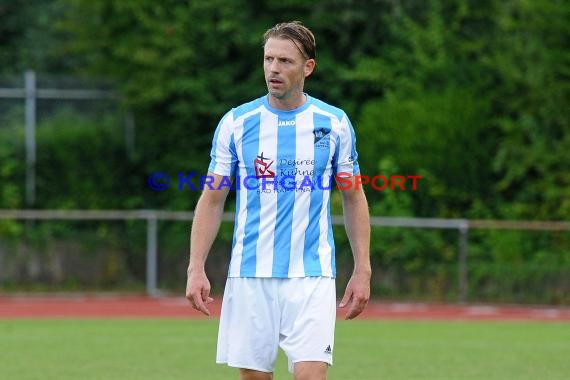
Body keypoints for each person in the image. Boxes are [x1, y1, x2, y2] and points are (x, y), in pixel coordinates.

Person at [186, 21, 371, 380]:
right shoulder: (237, 123)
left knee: (310, 376)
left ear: (308, 67)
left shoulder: (333, 123)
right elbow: (212, 199)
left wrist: (362, 268)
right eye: (269, 59)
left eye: (285, 61)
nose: (273, 68)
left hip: (312, 274)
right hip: (250, 274)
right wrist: (196, 266)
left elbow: (353, 196)